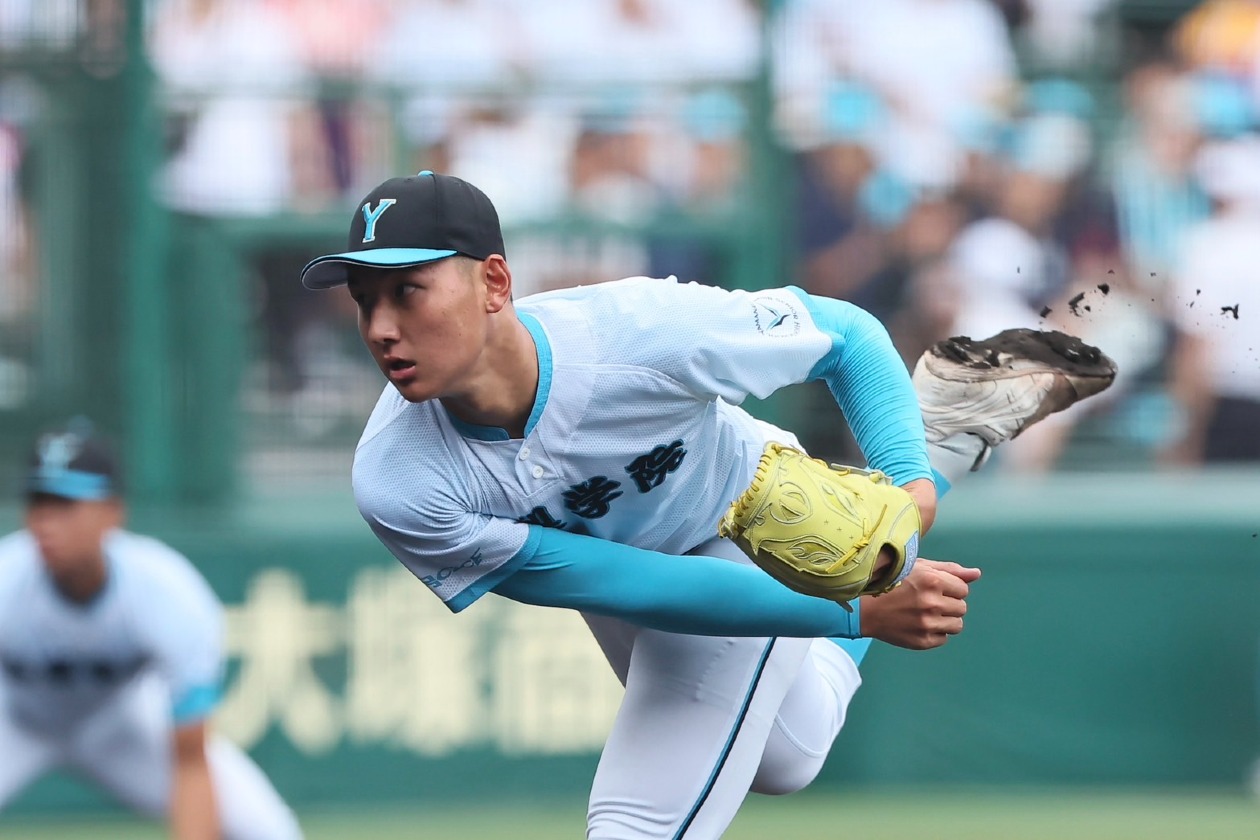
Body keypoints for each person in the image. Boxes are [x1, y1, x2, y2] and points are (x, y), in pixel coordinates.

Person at [299, 171, 1115, 838]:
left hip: (752, 520)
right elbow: (626, 585)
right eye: (364, 300)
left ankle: (928, 438)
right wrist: (858, 615)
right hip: (641, 575)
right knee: (786, 757)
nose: (380, 327)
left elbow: (845, 334)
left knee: (637, 825)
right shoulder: (401, 480)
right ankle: (941, 430)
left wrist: (911, 482)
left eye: (408, 291)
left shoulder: (638, 332)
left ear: (494, 282)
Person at [0, 420, 303, 840]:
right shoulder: (6, 579)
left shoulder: (165, 593)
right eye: (38, 503)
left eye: (65, 503)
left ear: (112, 513)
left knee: (269, 830)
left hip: (116, 721)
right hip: (15, 719)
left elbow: (192, 763)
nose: (47, 521)